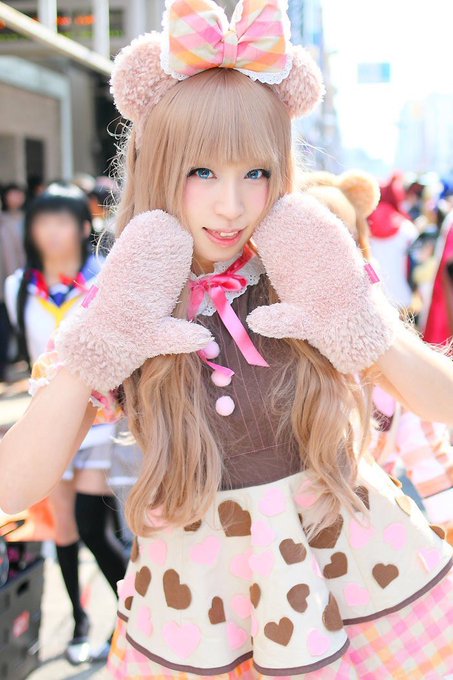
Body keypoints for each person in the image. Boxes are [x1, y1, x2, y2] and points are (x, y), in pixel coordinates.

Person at [1, 0, 453, 677]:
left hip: (346, 570)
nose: (231, 205)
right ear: (159, 166)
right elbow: (15, 485)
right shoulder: (128, 299)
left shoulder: (302, 272)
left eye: (255, 173)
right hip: (201, 599)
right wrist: (103, 343)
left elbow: (441, 401)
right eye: (202, 172)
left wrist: (354, 319)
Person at [3, 183, 127, 664]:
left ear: (81, 226)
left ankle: (131, 618)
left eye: (62, 221)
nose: (52, 232)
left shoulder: (106, 279)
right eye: (43, 221)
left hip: (101, 420)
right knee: (64, 532)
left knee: (94, 526)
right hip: (47, 424)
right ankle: (78, 624)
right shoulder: (18, 286)